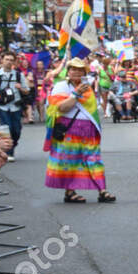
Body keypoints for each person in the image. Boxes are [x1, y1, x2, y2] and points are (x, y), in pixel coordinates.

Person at [46, 57, 114, 203]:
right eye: (73, 69)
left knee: (94, 160)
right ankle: (70, 192)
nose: (76, 72)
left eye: (80, 70)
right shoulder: (61, 86)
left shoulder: (87, 87)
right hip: (69, 130)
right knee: (70, 161)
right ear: (68, 71)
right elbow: (61, 108)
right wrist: (76, 94)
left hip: (88, 130)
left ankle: (102, 191)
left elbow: (92, 110)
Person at [0, 53, 29, 156]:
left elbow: (27, 91)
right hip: (2, 106)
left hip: (16, 106)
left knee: (16, 130)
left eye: (11, 60)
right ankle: (9, 152)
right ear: (2, 60)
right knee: (7, 128)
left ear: (14, 62)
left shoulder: (19, 75)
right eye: (7, 59)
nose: (9, 62)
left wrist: (20, 88)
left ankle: (11, 145)